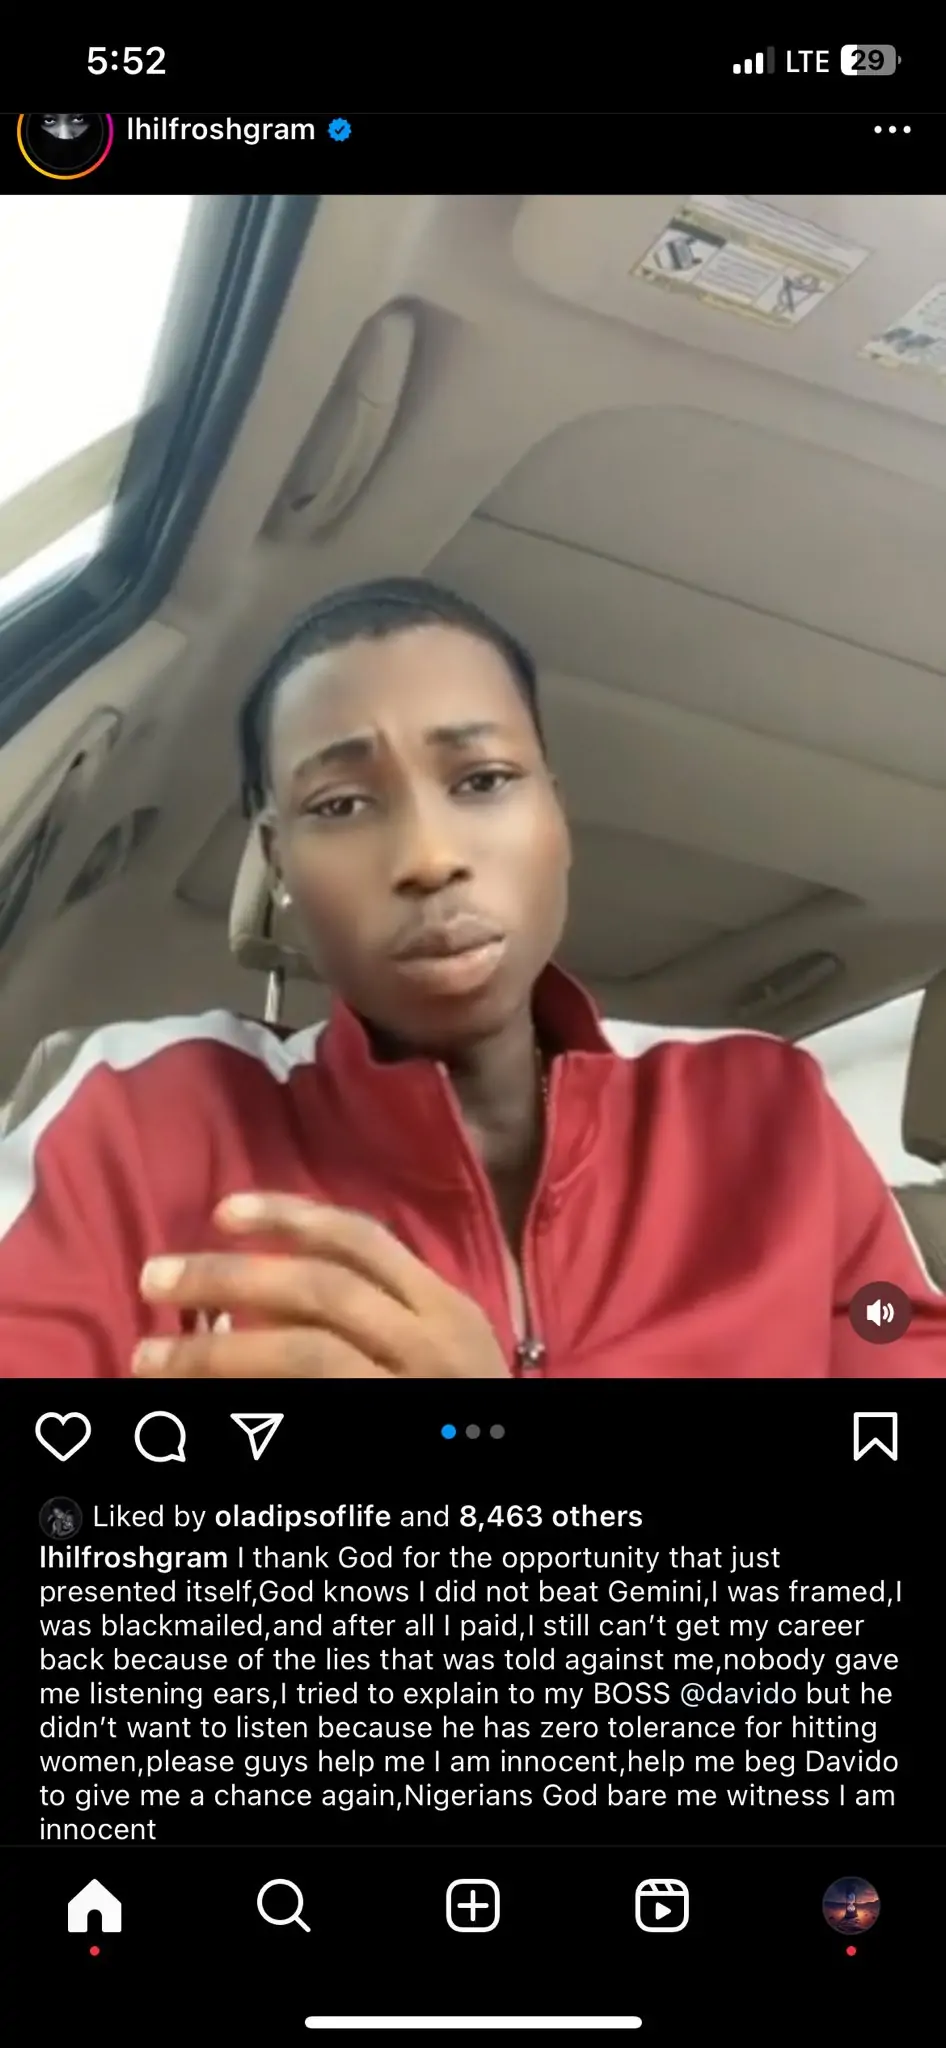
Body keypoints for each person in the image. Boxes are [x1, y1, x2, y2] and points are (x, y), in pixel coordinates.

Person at [0, 574, 943, 1379]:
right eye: (341, 804)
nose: (428, 857)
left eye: (483, 780)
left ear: (556, 819)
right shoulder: (133, 1121)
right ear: (279, 862)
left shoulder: (769, 1111)